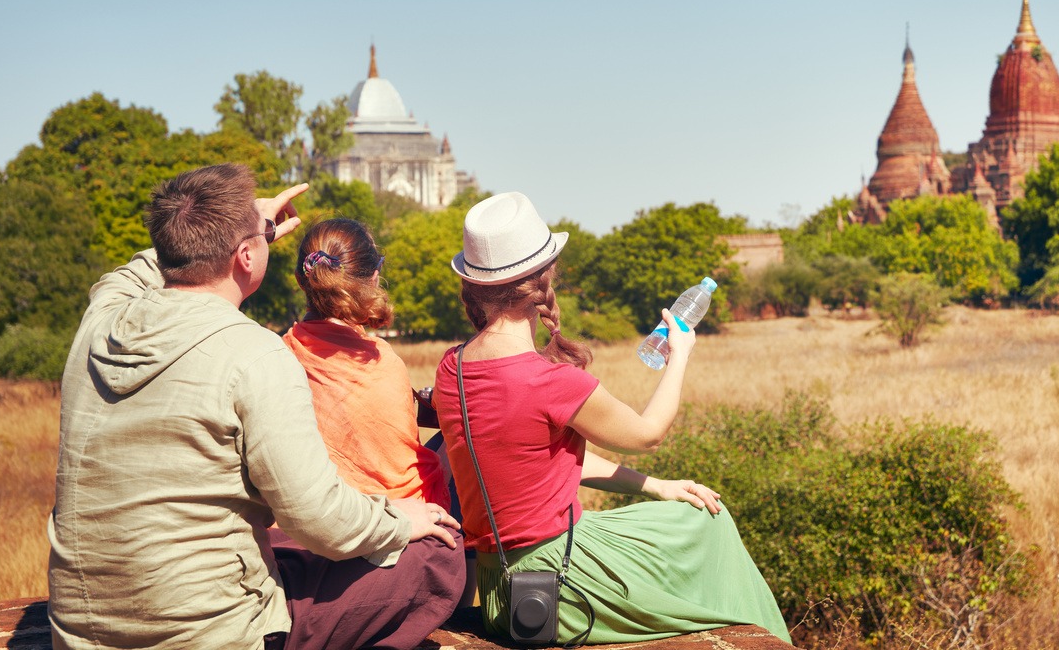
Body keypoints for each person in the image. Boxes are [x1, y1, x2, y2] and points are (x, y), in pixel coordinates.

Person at [49, 164, 464, 650]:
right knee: (438, 555)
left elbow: (128, 275)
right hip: (211, 633)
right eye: (261, 237)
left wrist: (219, 226)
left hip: (78, 633)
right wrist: (401, 520)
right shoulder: (256, 354)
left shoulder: (99, 325)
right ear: (247, 256)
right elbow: (320, 520)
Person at [433, 192, 791, 645]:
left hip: (501, 585)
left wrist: (657, 487)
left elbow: (535, 464)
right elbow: (648, 434)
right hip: (557, 579)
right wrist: (679, 353)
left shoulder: (453, 367)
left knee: (682, 511)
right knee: (709, 523)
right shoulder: (548, 380)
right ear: (545, 278)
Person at [282, 217, 469, 606]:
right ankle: (461, 607)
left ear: (303, 280)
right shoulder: (385, 362)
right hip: (393, 526)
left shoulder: (280, 352)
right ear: (374, 276)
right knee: (460, 444)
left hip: (315, 526)